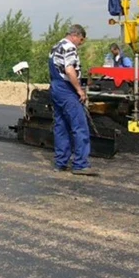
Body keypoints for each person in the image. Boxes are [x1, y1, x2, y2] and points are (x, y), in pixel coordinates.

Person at [48, 24, 97, 176]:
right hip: (66, 89)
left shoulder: (56, 46)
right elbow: (69, 70)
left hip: (56, 87)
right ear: (75, 35)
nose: (80, 44)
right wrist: (79, 90)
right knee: (79, 126)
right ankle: (80, 164)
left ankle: (60, 162)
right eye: (81, 40)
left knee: (61, 125)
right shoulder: (69, 47)